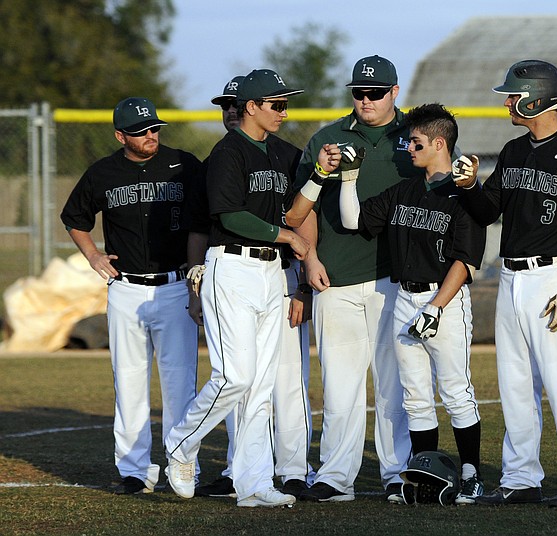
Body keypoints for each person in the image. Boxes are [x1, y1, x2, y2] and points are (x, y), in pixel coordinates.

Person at [164, 68, 329, 508]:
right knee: (234, 376)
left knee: (258, 387)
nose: (283, 111)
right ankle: (181, 443)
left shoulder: (277, 153)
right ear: (251, 107)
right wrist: (289, 238)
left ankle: (253, 484)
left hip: (271, 274)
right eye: (275, 104)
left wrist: (318, 175)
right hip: (232, 268)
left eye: (285, 104)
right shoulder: (228, 152)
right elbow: (229, 215)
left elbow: (294, 214)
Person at [453, 60, 557, 508]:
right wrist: (467, 186)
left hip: (552, 277)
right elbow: (487, 211)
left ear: (537, 98)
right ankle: (521, 478)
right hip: (511, 277)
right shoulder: (515, 151)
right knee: (514, 383)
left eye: (513, 94)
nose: (506, 101)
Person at [338, 103, 486, 504]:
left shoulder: (462, 194)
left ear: (439, 143)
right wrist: (348, 178)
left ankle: (472, 472)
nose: (409, 147)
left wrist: (436, 307)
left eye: (416, 141)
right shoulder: (404, 190)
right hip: (405, 297)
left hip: (446, 301)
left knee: (456, 391)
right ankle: (425, 472)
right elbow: (353, 220)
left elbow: (466, 260)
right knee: (415, 395)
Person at [60, 97, 202, 495]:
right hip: (126, 289)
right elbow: (74, 217)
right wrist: (92, 255)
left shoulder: (184, 164)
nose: (151, 135)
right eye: (140, 131)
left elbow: (205, 215)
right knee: (130, 382)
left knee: (180, 384)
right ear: (120, 135)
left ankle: (182, 465)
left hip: (175, 286)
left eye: (154, 128)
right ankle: (135, 471)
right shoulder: (103, 172)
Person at [295, 55, 414, 503]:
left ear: (394, 92)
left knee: (393, 385)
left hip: (396, 279)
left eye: (375, 92)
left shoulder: (416, 135)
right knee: (341, 387)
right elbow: (303, 208)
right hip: (336, 276)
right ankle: (335, 475)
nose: (366, 100)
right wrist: (309, 260)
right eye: (359, 93)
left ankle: (398, 473)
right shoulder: (327, 138)